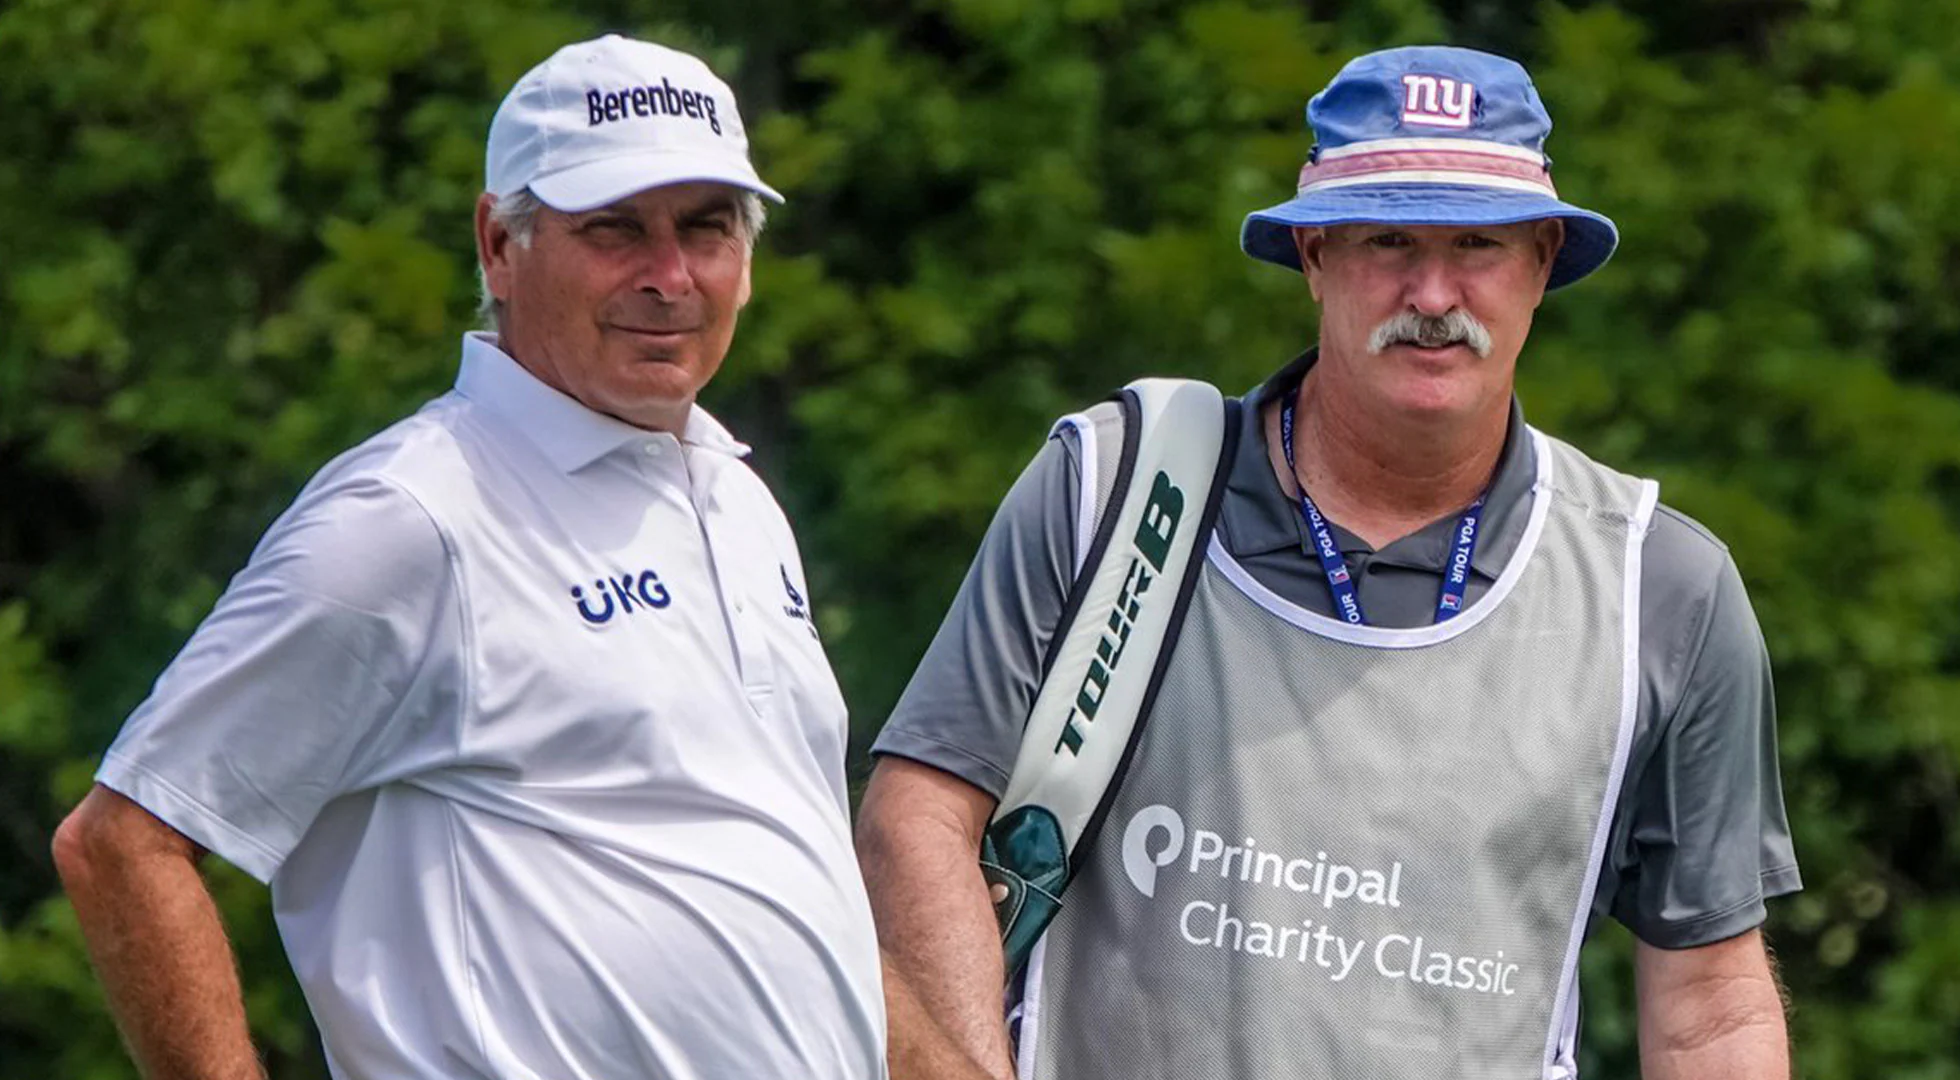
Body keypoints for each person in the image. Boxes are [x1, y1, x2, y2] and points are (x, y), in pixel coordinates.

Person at [858, 46, 1797, 1080]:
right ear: (1313, 258)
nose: (1433, 291)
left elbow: (1708, 1007)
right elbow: (920, 823)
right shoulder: (1116, 493)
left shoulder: (1656, 588)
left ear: (1540, 263)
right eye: (1388, 238)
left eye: (1477, 244)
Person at [52, 34, 886, 1080]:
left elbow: (780, 896)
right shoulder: (411, 515)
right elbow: (123, 844)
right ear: (499, 244)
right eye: (616, 229)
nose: (669, 276)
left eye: (706, 230)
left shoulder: (739, 499)